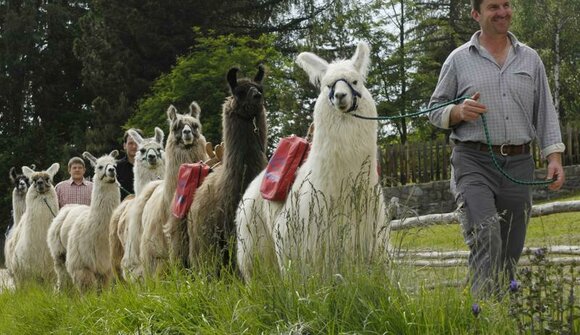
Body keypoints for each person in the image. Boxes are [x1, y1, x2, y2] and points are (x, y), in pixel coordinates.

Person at [428, 0, 565, 297]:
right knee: (486, 235)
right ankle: (483, 317)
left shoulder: (530, 59)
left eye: (506, 5)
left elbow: (545, 113)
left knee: (510, 250)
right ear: (476, 14)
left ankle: (501, 315)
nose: (502, 12)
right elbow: (434, 110)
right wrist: (457, 112)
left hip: (519, 163)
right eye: (493, 7)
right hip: (473, 161)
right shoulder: (458, 59)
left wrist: (554, 156)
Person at [116, 128, 143, 200]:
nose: (134, 146)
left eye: (137, 143)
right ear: (124, 145)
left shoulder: (151, 167)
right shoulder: (115, 167)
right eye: (130, 143)